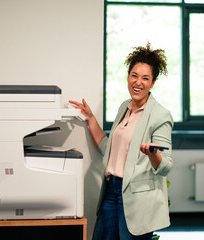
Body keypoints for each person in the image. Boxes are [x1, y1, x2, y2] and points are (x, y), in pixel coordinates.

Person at [69, 42, 174, 240]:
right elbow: (109, 148)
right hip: (110, 192)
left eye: (145, 78)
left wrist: (153, 155)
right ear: (128, 77)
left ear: (152, 83)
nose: (138, 82)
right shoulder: (124, 107)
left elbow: (166, 165)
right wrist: (91, 119)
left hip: (137, 198)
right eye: (134, 75)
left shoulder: (160, 115)